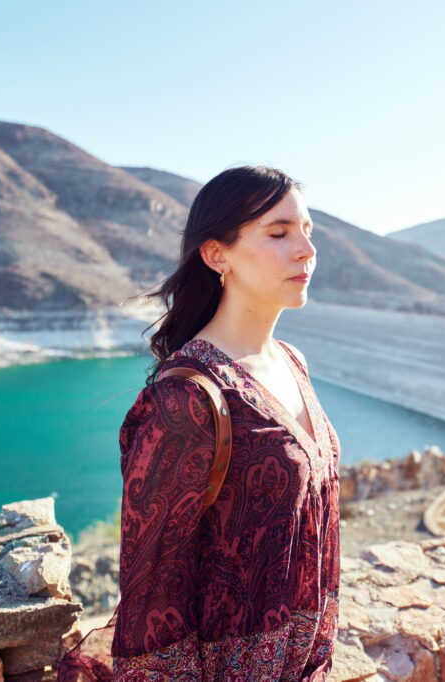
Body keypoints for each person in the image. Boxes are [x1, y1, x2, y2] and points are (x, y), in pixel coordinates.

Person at [110, 166, 341, 680]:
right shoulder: (187, 397)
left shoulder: (292, 360)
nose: (305, 249)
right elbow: (153, 593)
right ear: (217, 255)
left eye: (308, 231)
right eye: (279, 234)